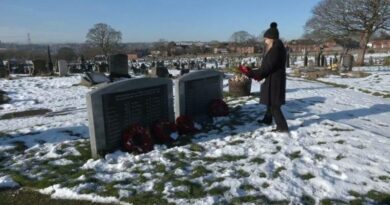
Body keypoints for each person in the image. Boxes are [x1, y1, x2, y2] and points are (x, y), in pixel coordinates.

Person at [239, 22, 289, 132]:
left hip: (275, 80)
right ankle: (267, 119)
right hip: (272, 78)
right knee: (270, 102)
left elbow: (267, 68)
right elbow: (267, 66)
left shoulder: (276, 49)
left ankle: (282, 127)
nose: (265, 41)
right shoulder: (275, 47)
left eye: (266, 39)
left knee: (274, 105)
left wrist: (250, 72)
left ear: (272, 39)